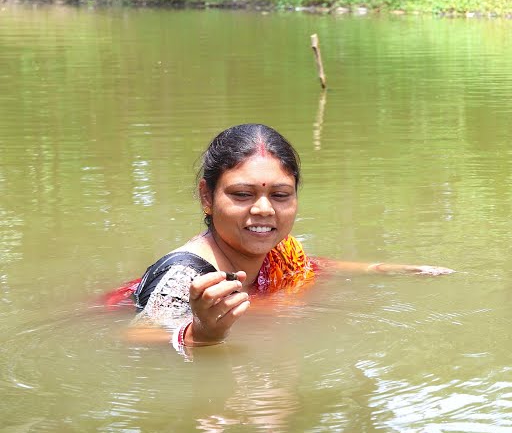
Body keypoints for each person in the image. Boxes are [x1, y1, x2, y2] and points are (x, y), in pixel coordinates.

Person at [112, 123, 452, 355]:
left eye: (280, 194)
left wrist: (382, 268)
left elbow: (316, 265)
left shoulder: (278, 250)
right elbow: (134, 336)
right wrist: (200, 336)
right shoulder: (189, 275)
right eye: (242, 194)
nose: (264, 209)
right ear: (207, 197)